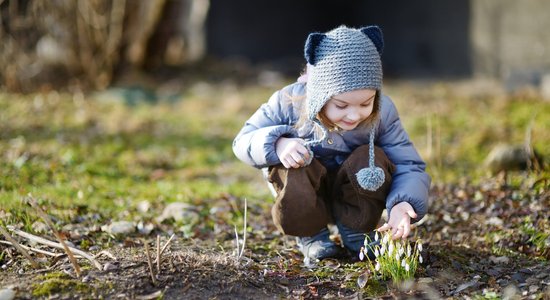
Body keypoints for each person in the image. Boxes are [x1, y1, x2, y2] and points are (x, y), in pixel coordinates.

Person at [232, 25, 431, 264]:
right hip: (305, 197)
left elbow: (408, 163)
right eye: (342, 106)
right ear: (319, 95)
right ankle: (312, 236)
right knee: (294, 160)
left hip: (355, 196)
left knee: (374, 157)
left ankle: (357, 231)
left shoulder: (383, 112)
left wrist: (403, 202)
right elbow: (242, 141)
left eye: (365, 103)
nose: (354, 115)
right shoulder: (288, 103)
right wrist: (278, 145)